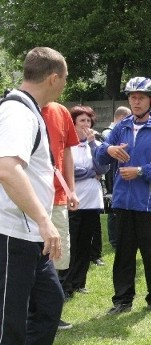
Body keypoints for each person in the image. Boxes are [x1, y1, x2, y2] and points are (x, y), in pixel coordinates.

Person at [0, 47, 68, 345]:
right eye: (66, 77)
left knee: (49, 304)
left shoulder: (29, 112)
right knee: (9, 319)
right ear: (54, 77)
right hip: (12, 231)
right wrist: (44, 220)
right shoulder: (16, 112)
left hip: (28, 234)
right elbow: (8, 169)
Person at [95, 77, 151, 315]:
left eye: (140, 97)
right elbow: (100, 157)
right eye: (132, 97)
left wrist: (140, 171)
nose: (136, 101)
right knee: (123, 254)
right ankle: (122, 299)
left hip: (149, 205)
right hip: (122, 202)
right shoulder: (121, 127)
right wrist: (108, 149)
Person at [59, 105, 108, 301]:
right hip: (74, 200)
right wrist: (89, 173)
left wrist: (92, 145)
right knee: (72, 243)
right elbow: (70, 171)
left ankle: (79, 282)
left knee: (86, 244)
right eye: (82, 121)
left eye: (88, 121)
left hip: (92, 200)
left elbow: (102, 168)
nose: (86, 125)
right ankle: (66, 283)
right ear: (73, 123)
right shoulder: (68, 145)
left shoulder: (93, 144)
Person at [41, 101, 80, 330]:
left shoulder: (61, 111)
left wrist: (70, 189)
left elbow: (66, 151)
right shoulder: (19, 108)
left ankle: (50, 315)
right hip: (27, 199)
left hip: (57, 199)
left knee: (57, 257)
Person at [102, 106, 131, 249]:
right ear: (121, 118)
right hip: (111, 173)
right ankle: (114, 239)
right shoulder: (109, 133)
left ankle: (119, 237)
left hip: (117, 172)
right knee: (113, 207)